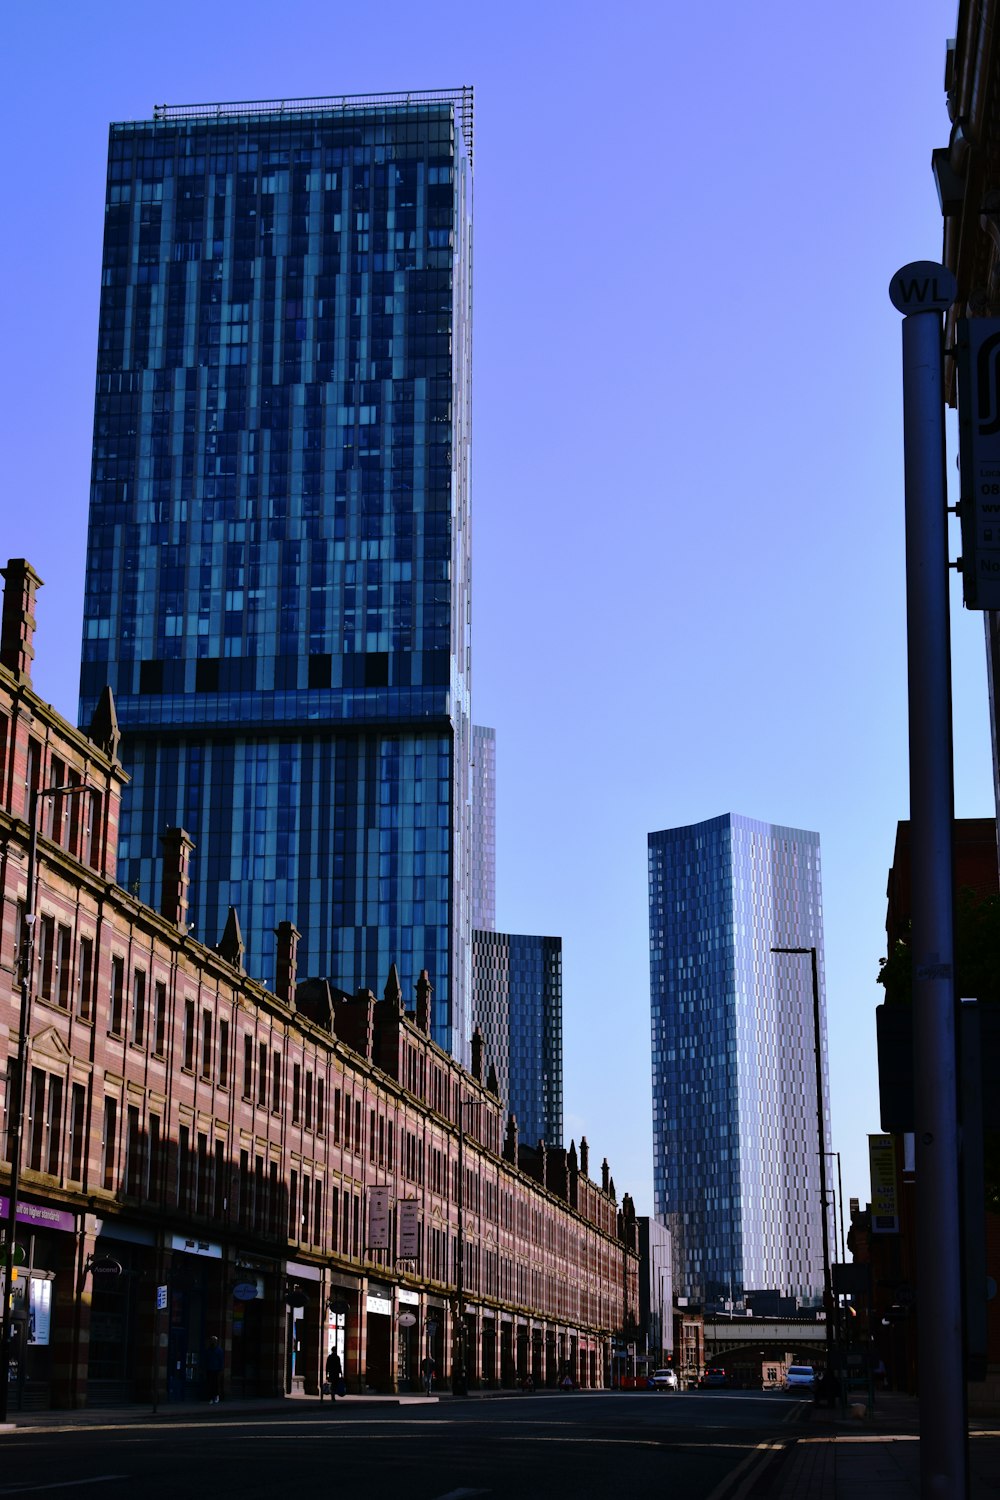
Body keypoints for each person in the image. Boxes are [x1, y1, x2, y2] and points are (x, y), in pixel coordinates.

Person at [204, 1335, 224, 1404]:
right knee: (210, 1384)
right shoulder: (209, 1350)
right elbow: (206, 1359)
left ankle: (216, 1396)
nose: (212, 1342)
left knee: (215, 1384)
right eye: (211, 1340)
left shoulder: (219, 1350)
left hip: (216, 1369)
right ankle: (211, 1397)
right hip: (210, 1369)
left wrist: (221, 1369)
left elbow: (221, 1360)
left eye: (214, 1340)